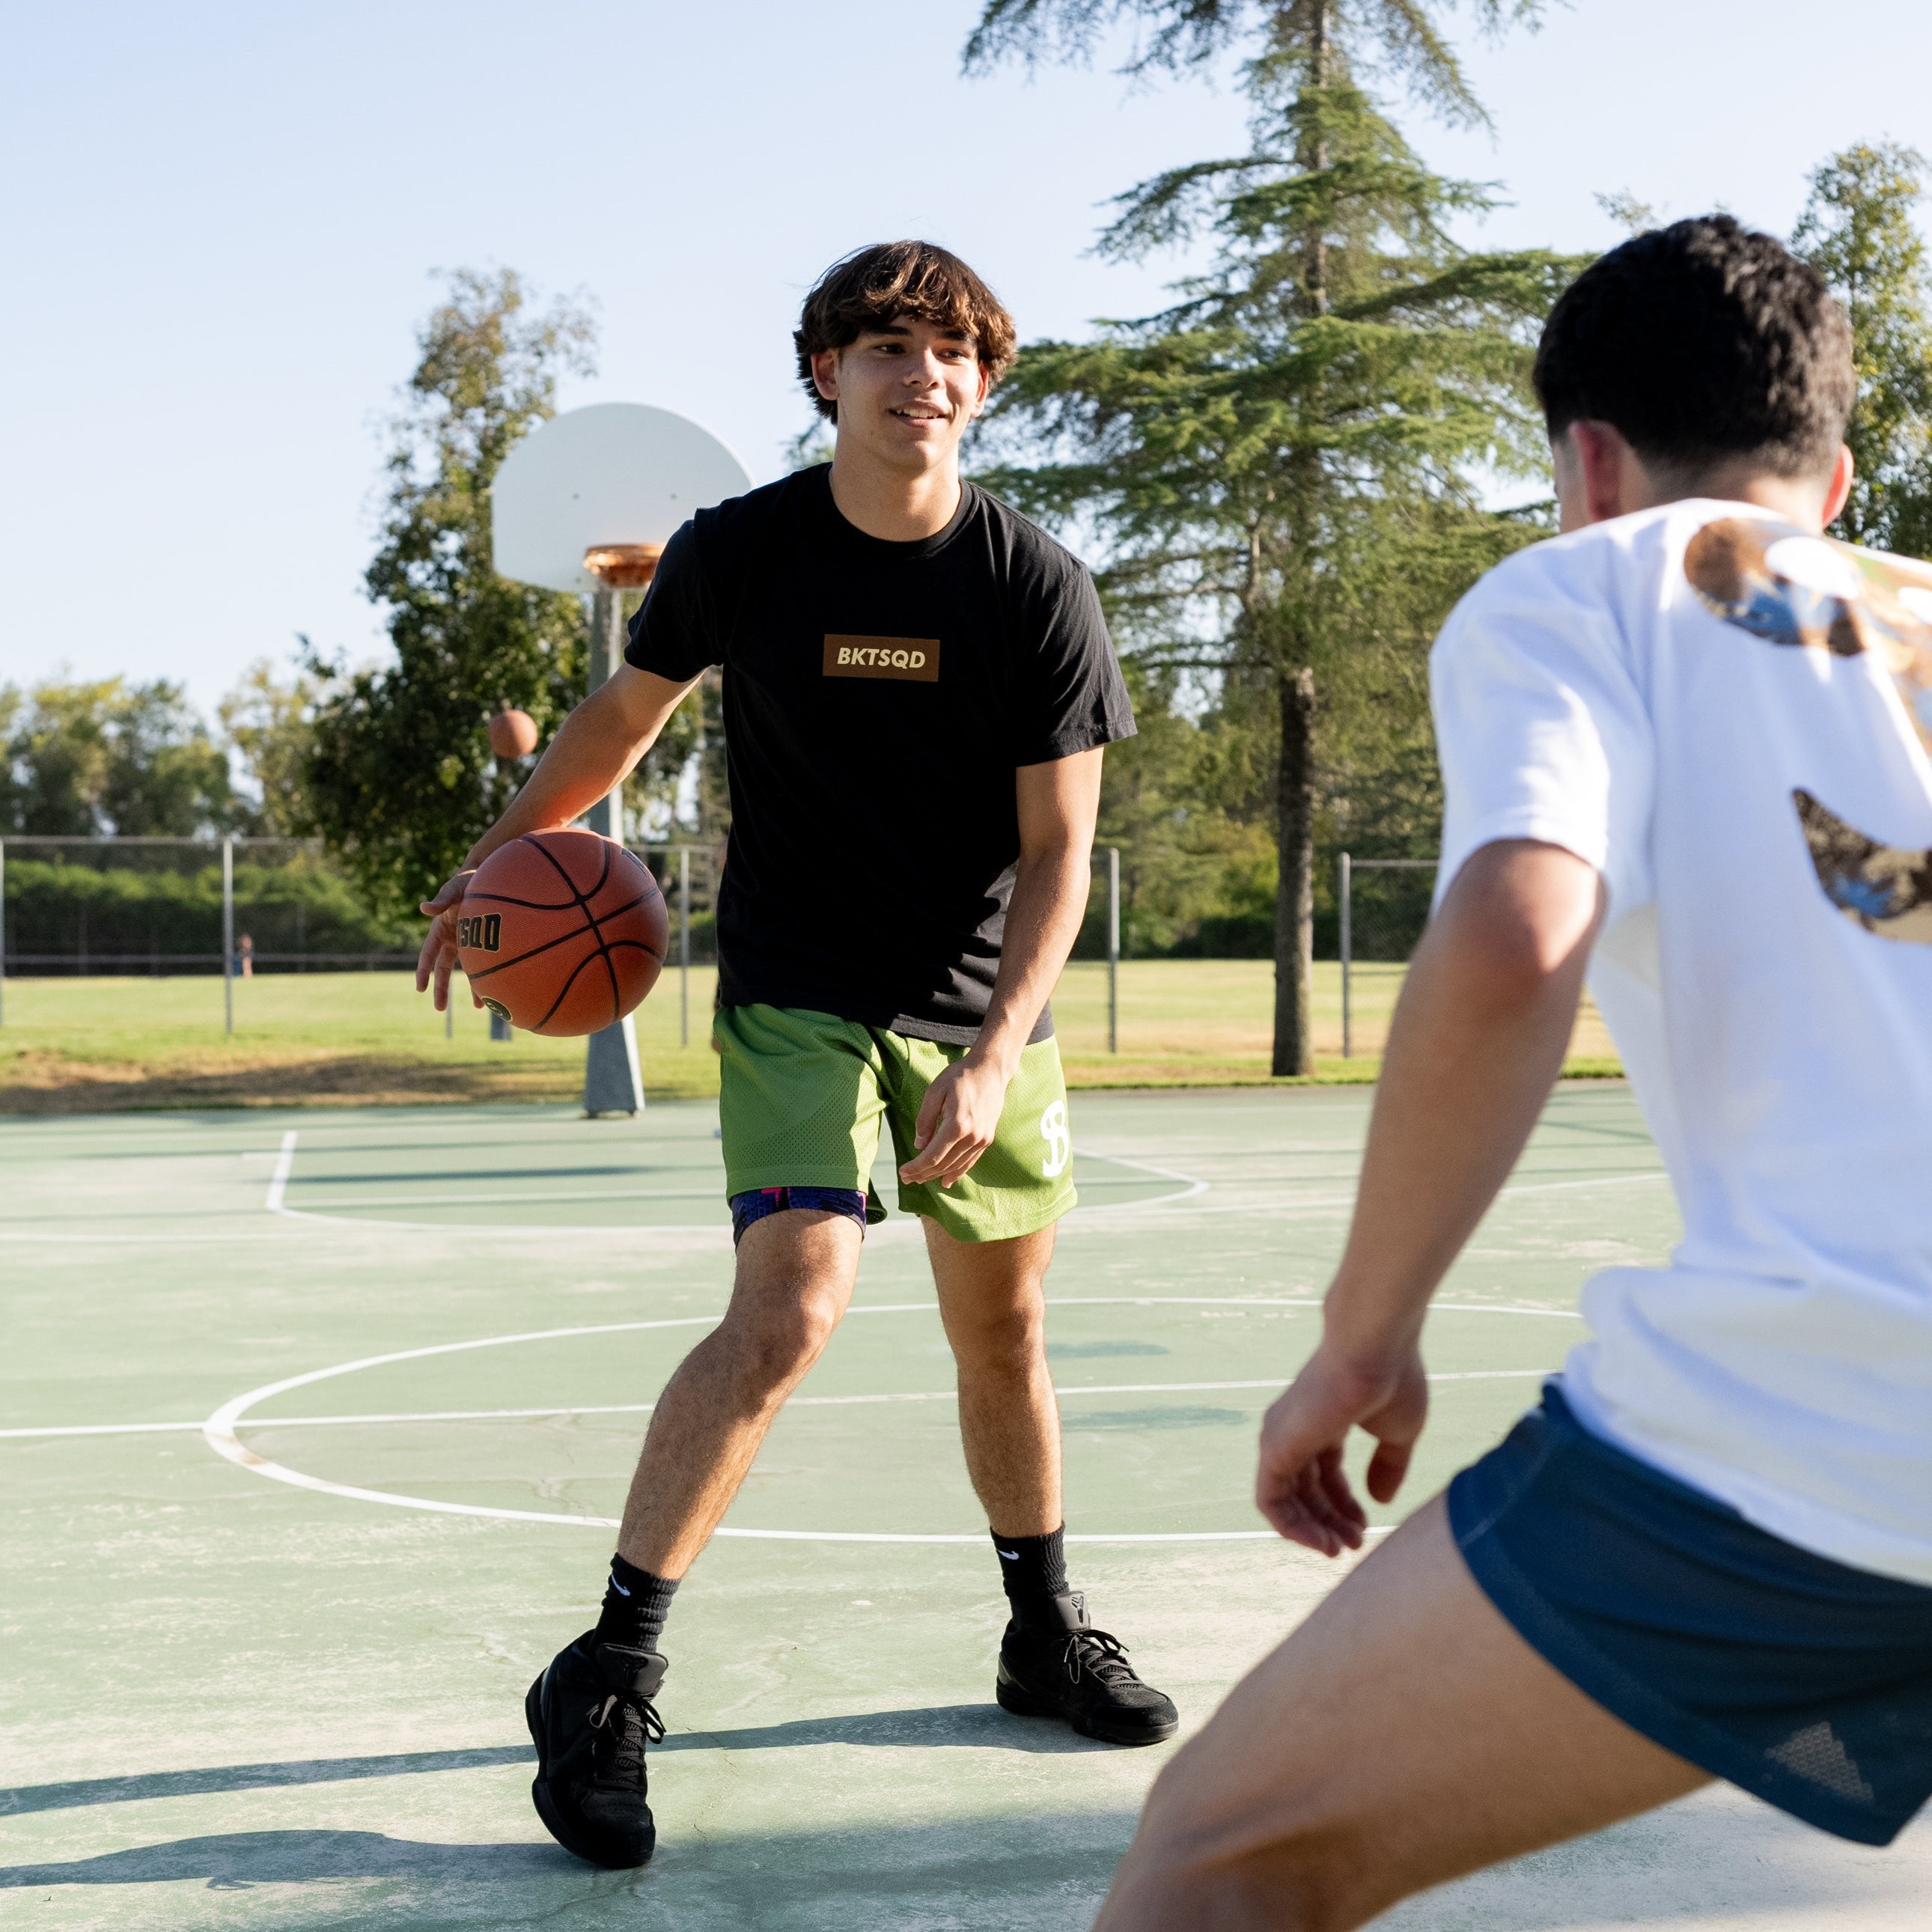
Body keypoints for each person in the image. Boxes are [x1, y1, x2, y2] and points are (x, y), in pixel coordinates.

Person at [1092, 216, 1932, 1930]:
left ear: (1588, 456)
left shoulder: (1591, 587)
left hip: (1843, 1408)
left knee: (1227, 1858)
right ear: (1834, 474)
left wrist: (1362, 1338)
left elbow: (1512, 933)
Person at [416, 240, 1177, 1872]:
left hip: (978, 1007)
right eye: (887, 346)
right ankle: (608, 1674)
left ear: (986, 383)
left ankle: (1041, 1629)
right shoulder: (741, 554)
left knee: (1008, 1334)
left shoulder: (1033, 586)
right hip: (798, 994)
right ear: (825, 374)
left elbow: (1059, 857)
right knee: (792, 1311)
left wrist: (992, 1054)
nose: (924, 375)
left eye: (954, 352)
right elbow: (619, 725)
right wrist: (492, 870)